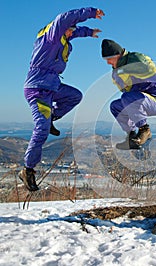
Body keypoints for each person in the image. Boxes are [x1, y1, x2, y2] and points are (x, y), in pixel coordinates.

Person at [19, 7, 105, 191]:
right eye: (69, 29)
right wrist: (90, 12)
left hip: (52, 86)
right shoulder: (51, 36)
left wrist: (89, 32)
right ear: (62, 28)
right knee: (41, 128)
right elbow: (65, 18)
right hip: (38, 90)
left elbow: (74, 31)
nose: (71, 32)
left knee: (75, 96)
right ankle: (28, 170)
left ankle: (51, 117)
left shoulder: (65, 37)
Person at [101, 39, 156, 150]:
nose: (108, 62)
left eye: (109, 59)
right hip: (138, 101)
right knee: (115, 106)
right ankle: (132, 137)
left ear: (117, 55)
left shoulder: (136, 61)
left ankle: (145, 130)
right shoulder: (117, 71)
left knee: (128, 97)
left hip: (155, 101)